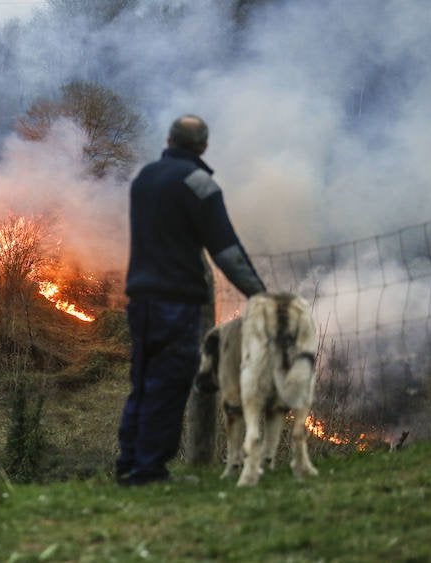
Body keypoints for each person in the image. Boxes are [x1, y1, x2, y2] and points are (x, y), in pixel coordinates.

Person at [116, 114, 266, 486]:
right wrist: (260, 294)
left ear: (168, 139)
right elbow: (227, 252)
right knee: (170, 382)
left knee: (143, 378)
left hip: (140, 298)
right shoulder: (200, 186)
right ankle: (149, 470)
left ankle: (129, 463)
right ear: (203, 147)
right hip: (177, 301)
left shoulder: (144, 179)